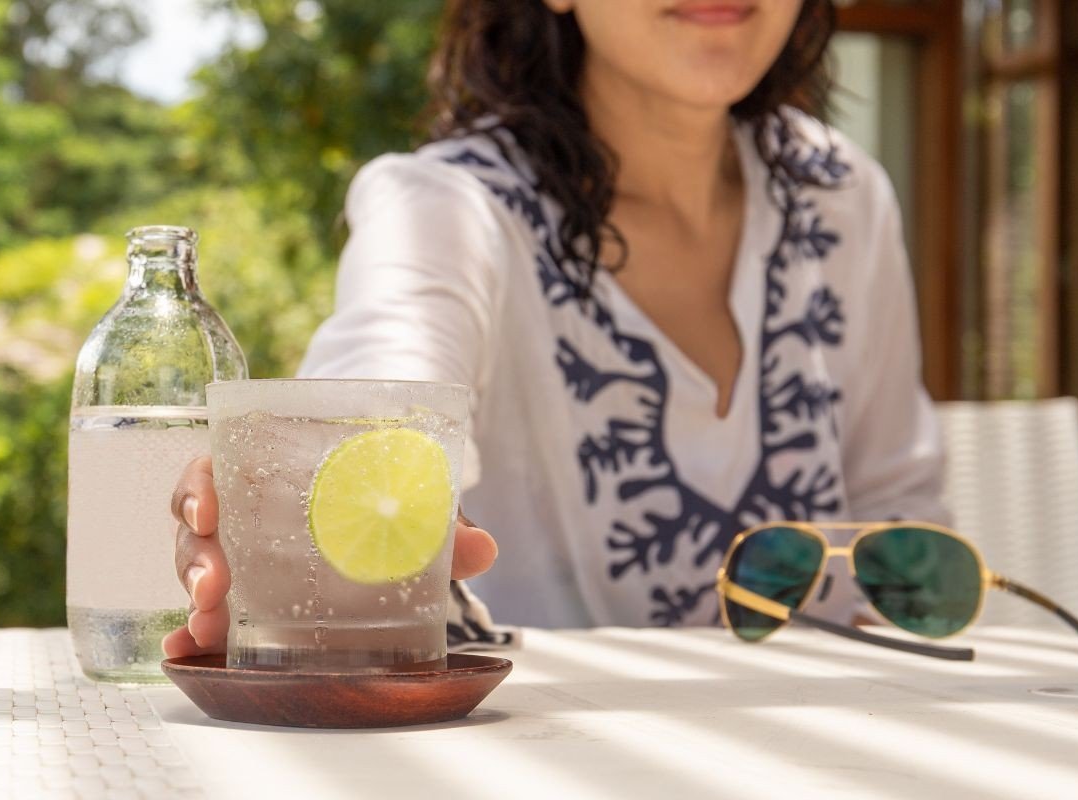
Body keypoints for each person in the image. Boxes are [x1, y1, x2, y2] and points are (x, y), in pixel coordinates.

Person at [164, 0, 948, 658]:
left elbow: (898, 513)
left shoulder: (843, 198)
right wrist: (307, 471)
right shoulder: (447, 210)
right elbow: (378, 394)